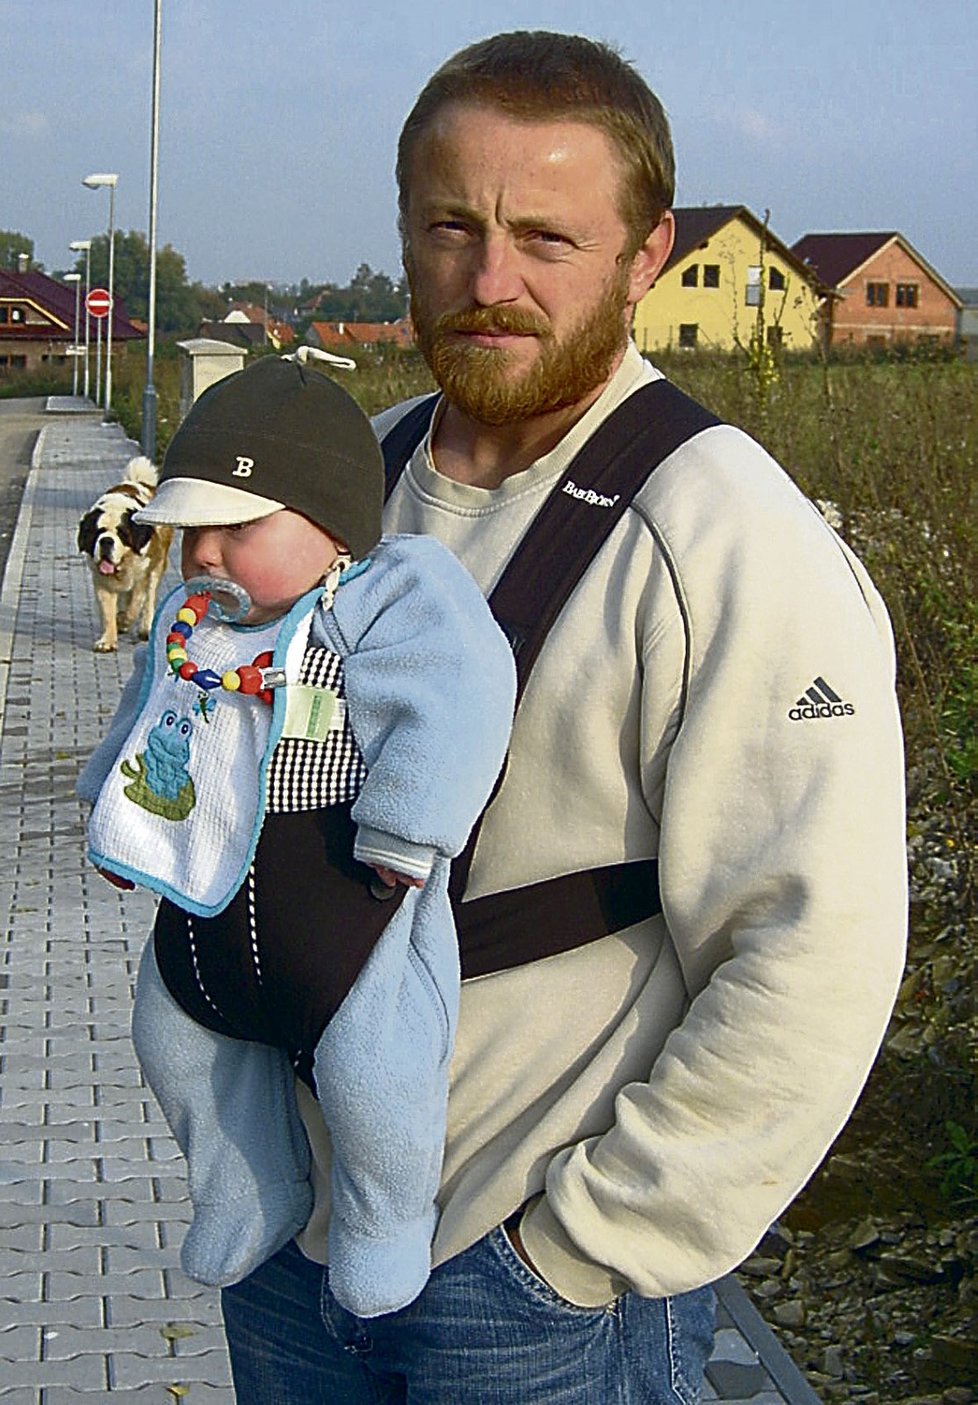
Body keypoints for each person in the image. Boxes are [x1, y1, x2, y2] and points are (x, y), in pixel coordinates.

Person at [219, 31, 908, 1404]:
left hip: (524, 1296)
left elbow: (813, 952)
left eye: (546, 236)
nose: (491, 282)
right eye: (452, 228)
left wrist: (579, 1250)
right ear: (405, 236)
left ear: (646, 255)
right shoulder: (353, 486)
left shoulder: (722, 536)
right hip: (292, 1252)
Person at [77, 354, 515, 1319]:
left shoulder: (381, 599)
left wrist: (410, 820)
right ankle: (247, 1182)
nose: (203, 554)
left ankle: (386, 1216)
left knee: (376, 1076)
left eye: (237, 530)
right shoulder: (194, 625)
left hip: (343, 903)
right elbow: (145, 713)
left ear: (330, 526)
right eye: (191, 531)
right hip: (207, 907)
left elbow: (460, 689)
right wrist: (111, 808)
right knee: (171, 1036)